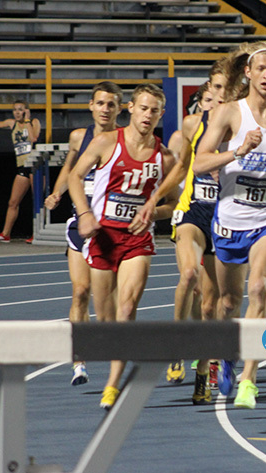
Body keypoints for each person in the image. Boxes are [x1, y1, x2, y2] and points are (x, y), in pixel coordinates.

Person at [194, 41, 266, 410]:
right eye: (262, 69)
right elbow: (199, 162)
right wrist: (237, 151)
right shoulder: (229, 113)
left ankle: (248, 380)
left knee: (258, 288)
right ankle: (227, 355)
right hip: (231, 216)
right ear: (249, 74)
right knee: (227, 302)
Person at [67, 83, 179, 410]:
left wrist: (151, 212)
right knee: (106, 320)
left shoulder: (165, 157)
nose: (148, 115)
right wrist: (85, 214)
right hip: (102, 236)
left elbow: (174, 203)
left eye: (154, 110)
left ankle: (113, 385)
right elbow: (75, 177)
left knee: (127, 309)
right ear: (130, 107)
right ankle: (117, 357)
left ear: (161, 114)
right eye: (143, 108)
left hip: (137, 240)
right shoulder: (106, 142)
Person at [136, 59, 230, 404]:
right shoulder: (193, 125)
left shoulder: (242, 127)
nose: (221, 96)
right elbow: (180, 169)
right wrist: (155, 198)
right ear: (207, 92)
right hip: (192, 211)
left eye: (228, 90)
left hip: (226, 218)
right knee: (188, 274)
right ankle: (177, 345)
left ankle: (204, 373)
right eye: (216, 89)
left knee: (210, 306)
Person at [44, 81, 123, 386]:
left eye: (111, 104)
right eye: (100, 103)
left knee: (110, 298)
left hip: (111, 228)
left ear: (119, 108)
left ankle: (116, 354)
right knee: (80, 291)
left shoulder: (124, 138)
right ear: (90, 105)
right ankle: (79, 361)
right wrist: (56, 193)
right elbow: (69, 169)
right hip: (81, 223)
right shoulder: (79, 136)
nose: (105, 109)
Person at [0, 100, 42, 243]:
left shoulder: (34, 122)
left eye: (20, 109)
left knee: (38, 202)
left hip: (35, 165)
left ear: (26, 111)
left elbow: (33, 138)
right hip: (22, 166)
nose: (17, 112)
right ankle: (5, 233)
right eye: (15, 109)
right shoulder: (12, 123)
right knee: (13, 202)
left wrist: (27, 120)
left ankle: (38, 233)